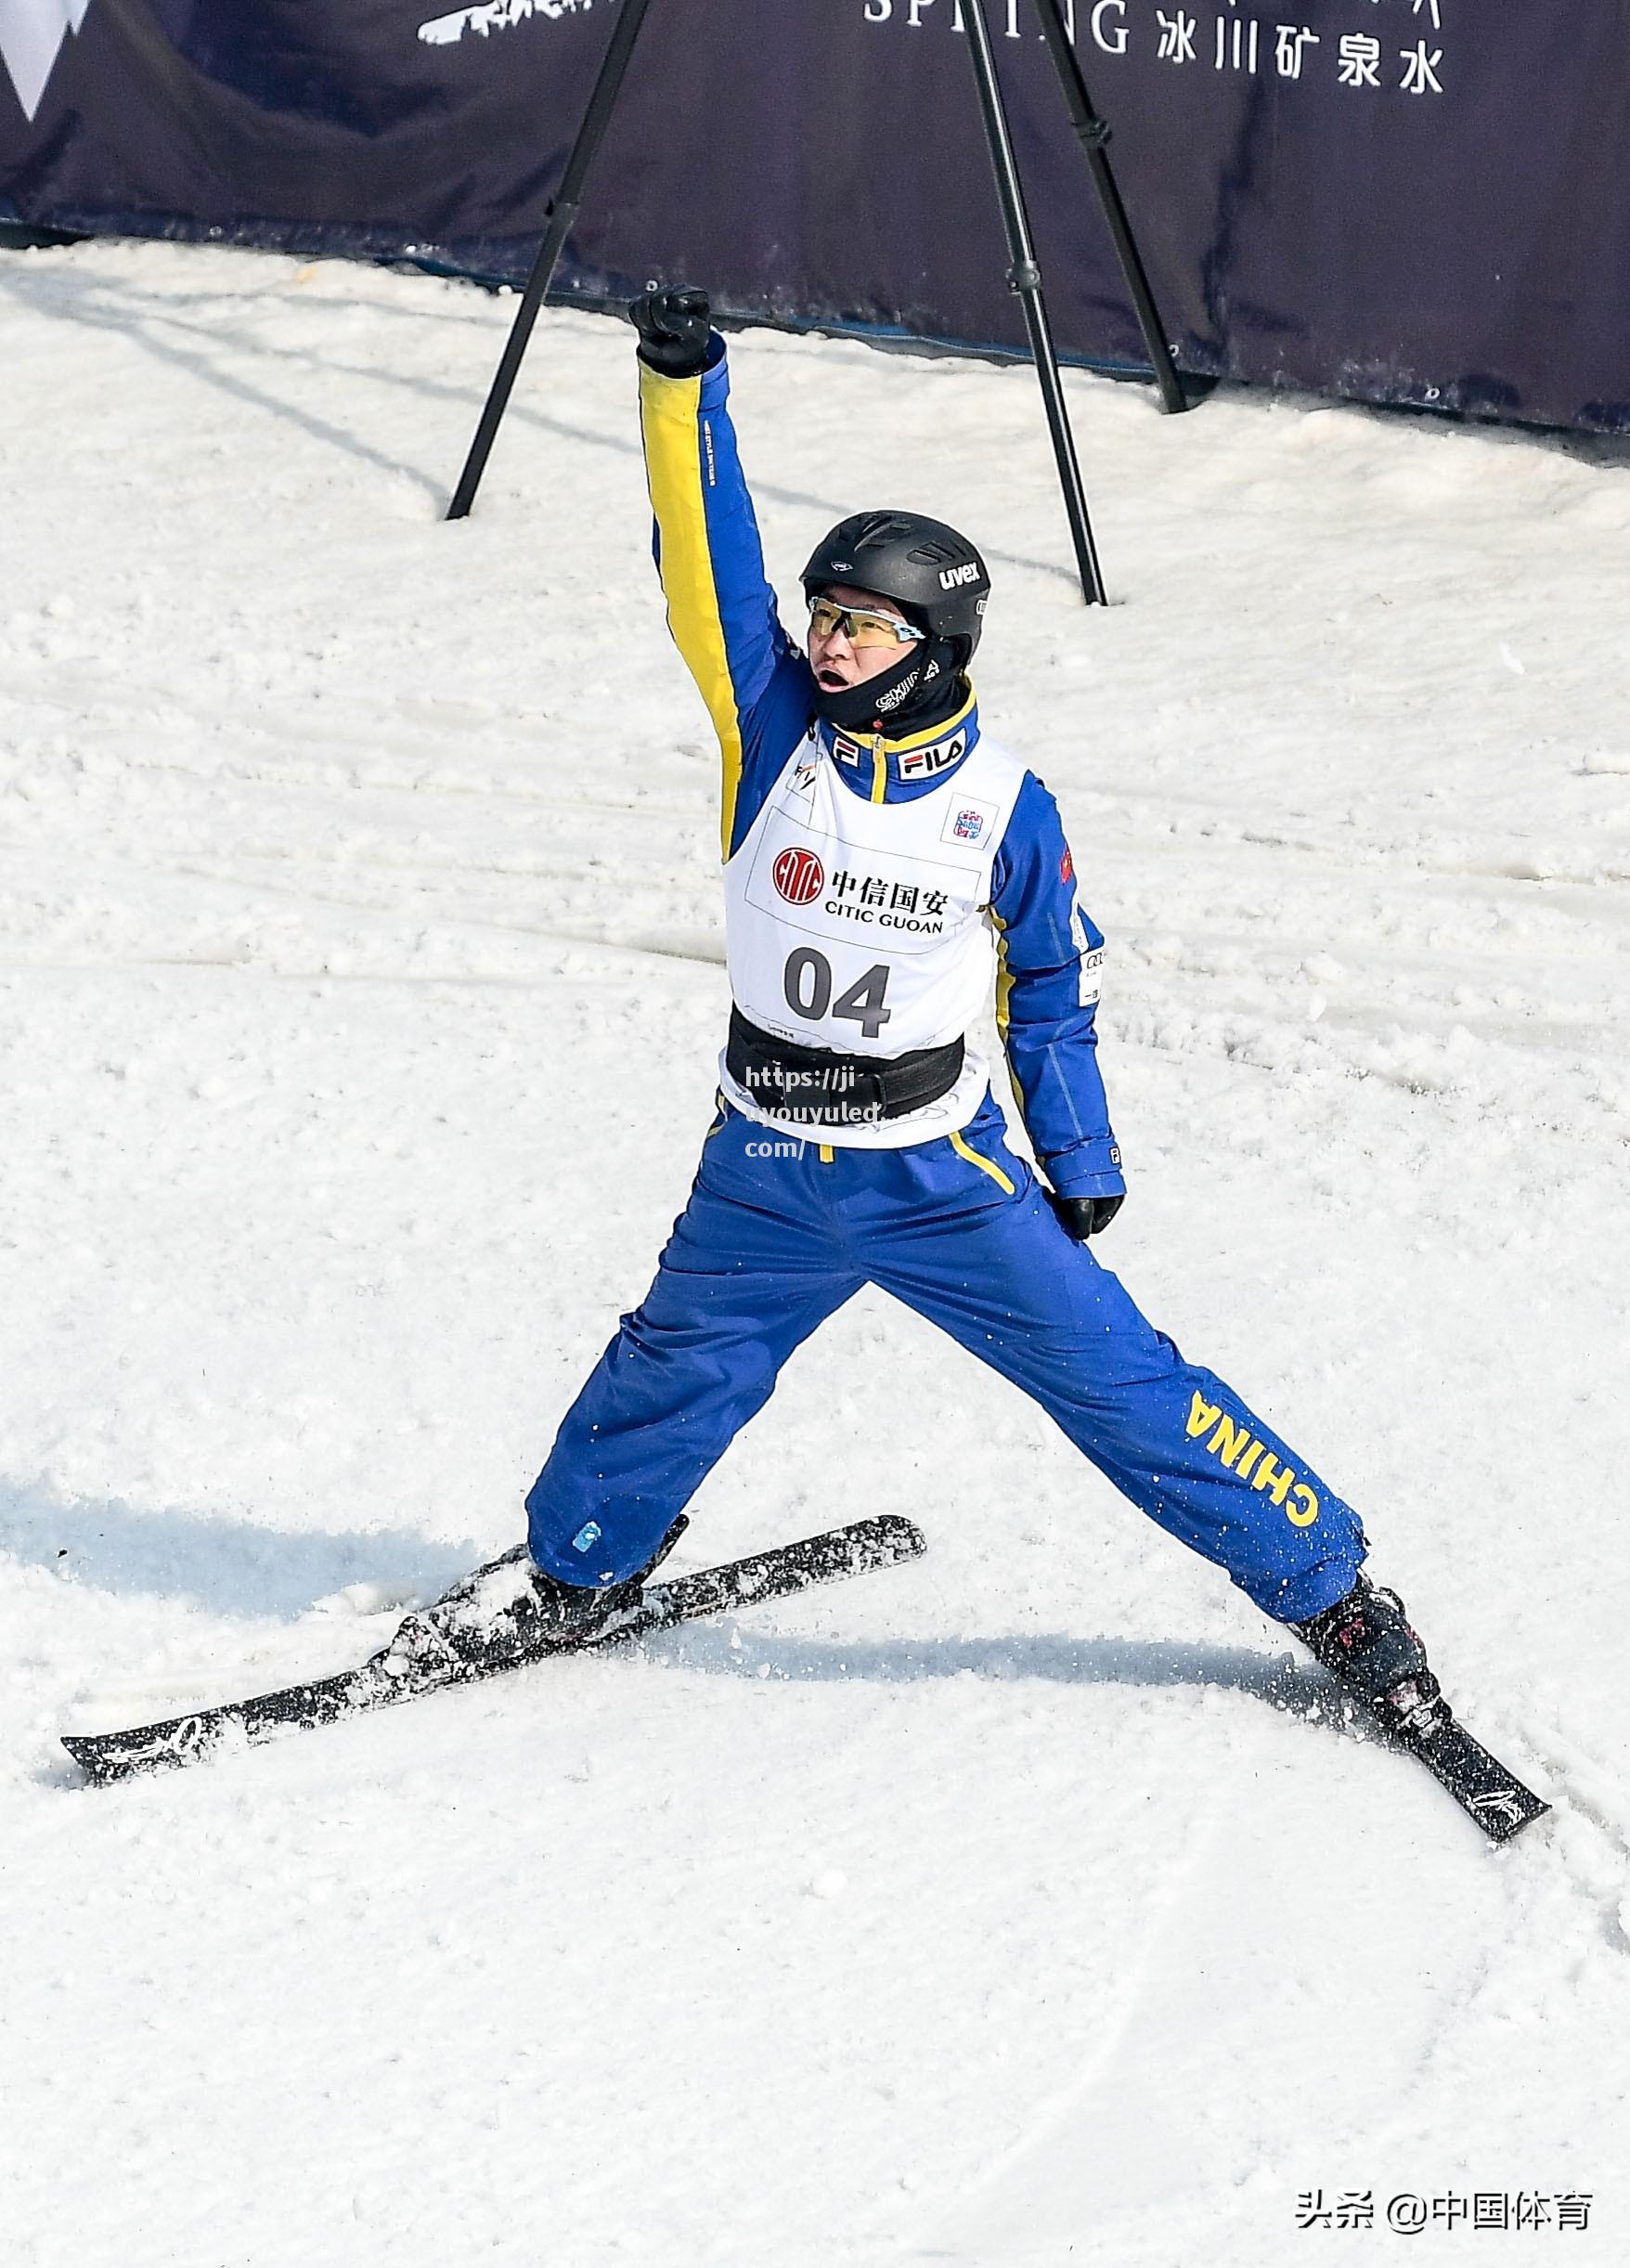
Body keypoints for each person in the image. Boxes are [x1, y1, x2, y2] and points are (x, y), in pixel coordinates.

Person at [398, 286, 1445, 1740]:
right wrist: (680, 384)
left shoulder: (1007, 805)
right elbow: (707, 572)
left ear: (933, 644)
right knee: (667, 1369)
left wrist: (1077, 1160)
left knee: (1124, 1385)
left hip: (937, 1176)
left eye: (863, 625)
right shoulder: (772, 743)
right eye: (823, 619)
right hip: (761, 1164)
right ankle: (576, 1579)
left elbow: (1051, 987)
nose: (827, 646)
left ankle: (1330, 1591)